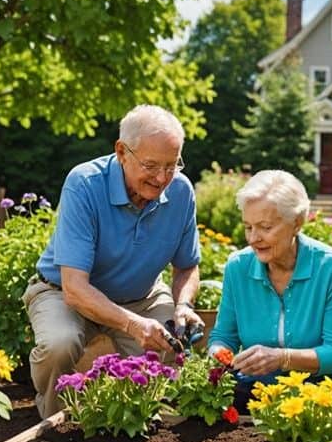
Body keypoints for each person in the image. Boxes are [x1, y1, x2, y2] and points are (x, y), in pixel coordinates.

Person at [23, 104, 202, 418]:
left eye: (172, 165)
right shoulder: (84, 184)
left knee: (167, 346)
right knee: (59, 343)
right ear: (121, 151)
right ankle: (52, 429)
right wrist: (132, 325)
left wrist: (184, 305)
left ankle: (141, 426)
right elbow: (75, 288)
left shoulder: (181, 192)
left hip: (141, 297)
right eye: (151, 165)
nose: (162, 178)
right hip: (65, 293)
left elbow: (187, 265)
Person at [207, 170, 332, 409]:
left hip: (328, 384)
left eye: (265, 227)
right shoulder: (238, 267)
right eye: (248, 227)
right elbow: (224, 337)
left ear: (297, 223)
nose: (253, 238)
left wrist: (282, 359)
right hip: (262, 387)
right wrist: (219, 353)